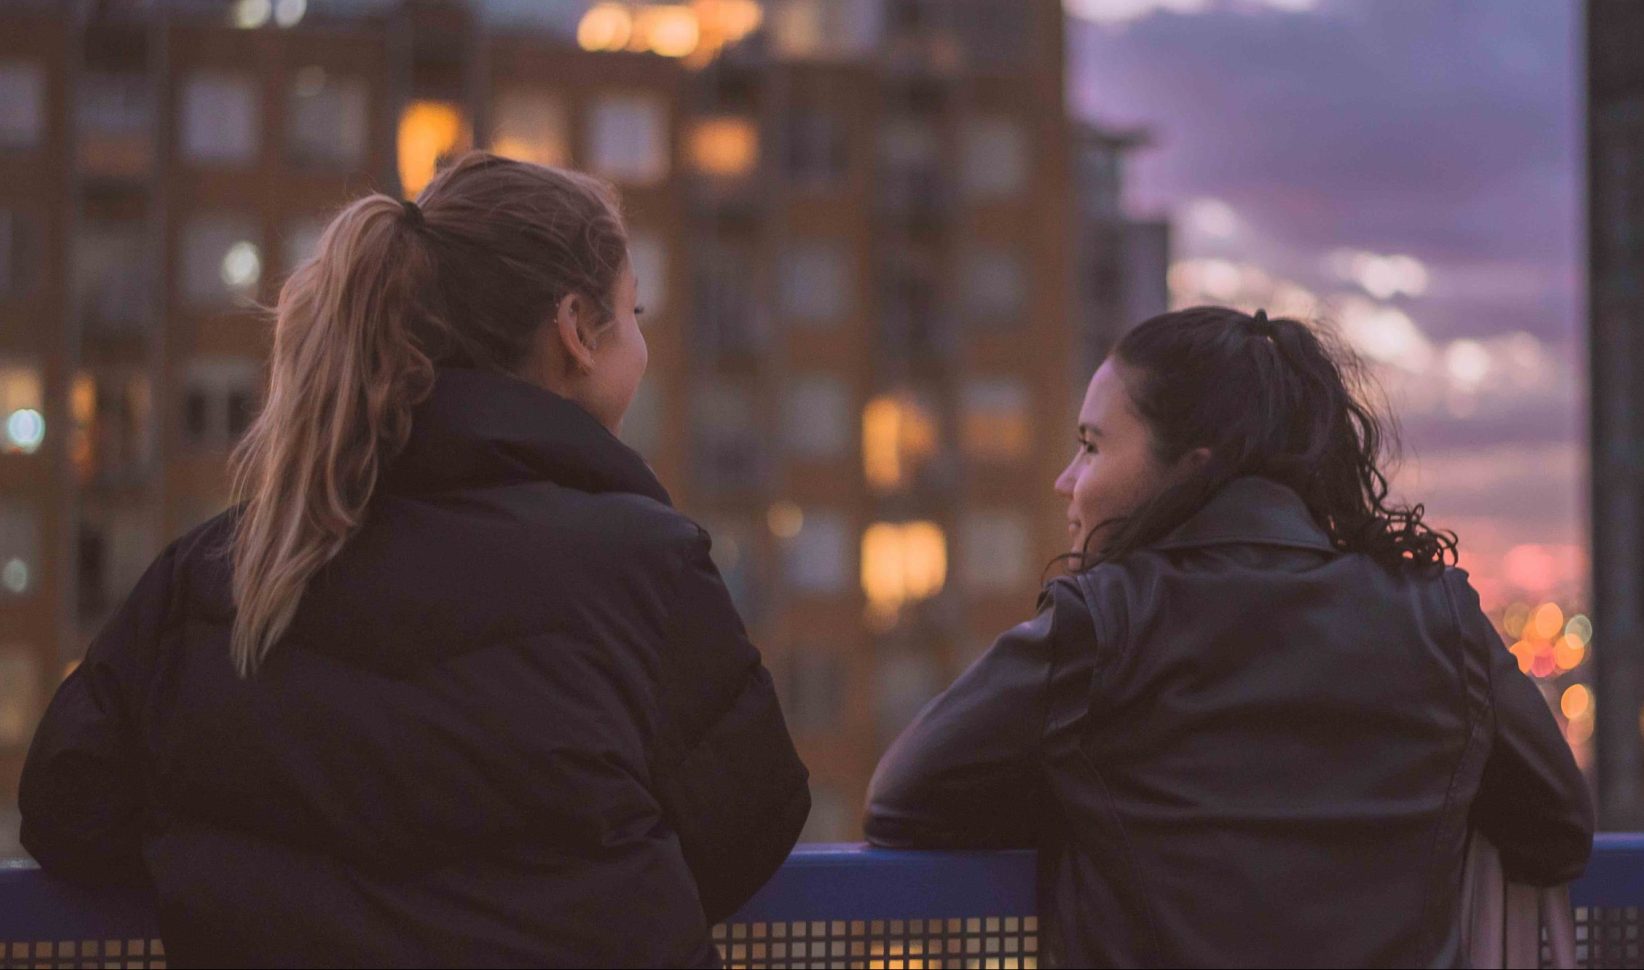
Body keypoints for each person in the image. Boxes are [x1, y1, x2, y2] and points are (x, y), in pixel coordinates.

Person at [20, 152, 810, 969]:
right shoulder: (649, 569)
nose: (641, 341)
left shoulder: (222, 568)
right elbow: (751, 824)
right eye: (632, 310)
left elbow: (67, 810)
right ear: (575, 329)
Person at [865, 306, 1592, 968]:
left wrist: (1094, 801)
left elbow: (905, 806)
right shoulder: (1437, 618)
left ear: (1191, 466)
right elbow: (1556, 828)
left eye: (1091, 446)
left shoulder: (1103, 623)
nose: (1067, 481)